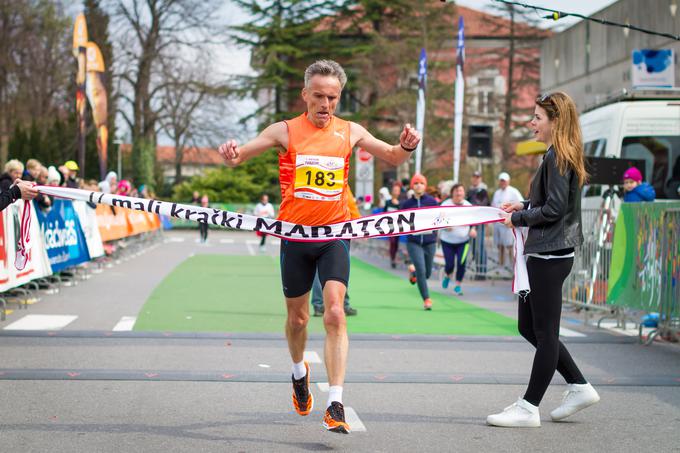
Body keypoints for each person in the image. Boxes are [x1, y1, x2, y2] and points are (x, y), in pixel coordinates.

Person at [217, 59, 420, 434]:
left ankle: (336, 402)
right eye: (320, 97)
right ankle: (299, 373)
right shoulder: (285, 131)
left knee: (335, 313)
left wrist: (406, 146)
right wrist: (231, 154)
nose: (326, 105)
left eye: (333, 98)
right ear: (305, 95)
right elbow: (240, 156)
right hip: (295, 238)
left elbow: (392, 155)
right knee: (297, 319)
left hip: (333, 236)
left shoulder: (351, 131)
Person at [491, 92, 600, 428]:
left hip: (550, 253)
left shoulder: (558, 157)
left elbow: (554, 210)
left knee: (545, 332)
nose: (532, 123)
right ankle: (579, 385)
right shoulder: (557, 155)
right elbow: (551, 201)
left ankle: (529, 407)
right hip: (548, 251)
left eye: (537, 117)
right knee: (529, 327)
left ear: (555, 121)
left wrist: (519, 220)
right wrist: (523, 205)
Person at [311, 191, 361, 317]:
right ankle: (342, 303)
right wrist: (359, 223)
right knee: (340, 270)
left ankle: (320, 305)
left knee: (319, 270)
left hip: (314, 229)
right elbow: (349, 202)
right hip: (335, 231)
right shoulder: (339, 179)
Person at [400, 173, 438, 310]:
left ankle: (414, 274)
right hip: (414, 242)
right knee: (422, 270)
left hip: (430, 241)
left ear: (425, 186)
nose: (418, 185)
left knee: (427, 272)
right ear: (412, 186)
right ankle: (426, 299)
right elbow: (400, 221)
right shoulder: (406, 204)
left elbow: (439, 218)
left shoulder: (432, 202)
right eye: (416, 183)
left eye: (421, 183)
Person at [439, 184, 477, 296]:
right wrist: (445, 226)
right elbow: (439, 220)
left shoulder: (468, 206)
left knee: (461, 263)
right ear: (452, 193)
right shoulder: (445, 205)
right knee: (449, 264)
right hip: (447, 241)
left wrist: (473, 229)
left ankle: (458, 285)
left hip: (464, 241)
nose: (458, 193)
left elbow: (474, 221)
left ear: (464, 193)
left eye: (460, 191)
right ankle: (447, 274)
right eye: (456, 191)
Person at [491, 172, 523, 269]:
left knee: (509, 246)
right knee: (500, 246)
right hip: (498, 224)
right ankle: (501, 266)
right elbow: (493, 205)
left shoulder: (514, 191)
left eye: (504, 181)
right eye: (501, 181)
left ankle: (512, 267)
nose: (502, 182)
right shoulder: (497, 193)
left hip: (508, 224)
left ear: (508, 181)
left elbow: (521, 203)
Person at [384, 182, 402, 268]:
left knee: (396, 243)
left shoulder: (401, 204)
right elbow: (383, 213)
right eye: (394, 190)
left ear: (399, 192)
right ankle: (392, 259)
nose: (396, 192)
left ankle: (394, 256)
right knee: (392, 242)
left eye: (397, 190)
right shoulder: (388, 202)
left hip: (398, 226)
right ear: (392, 191)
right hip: (390, 226)